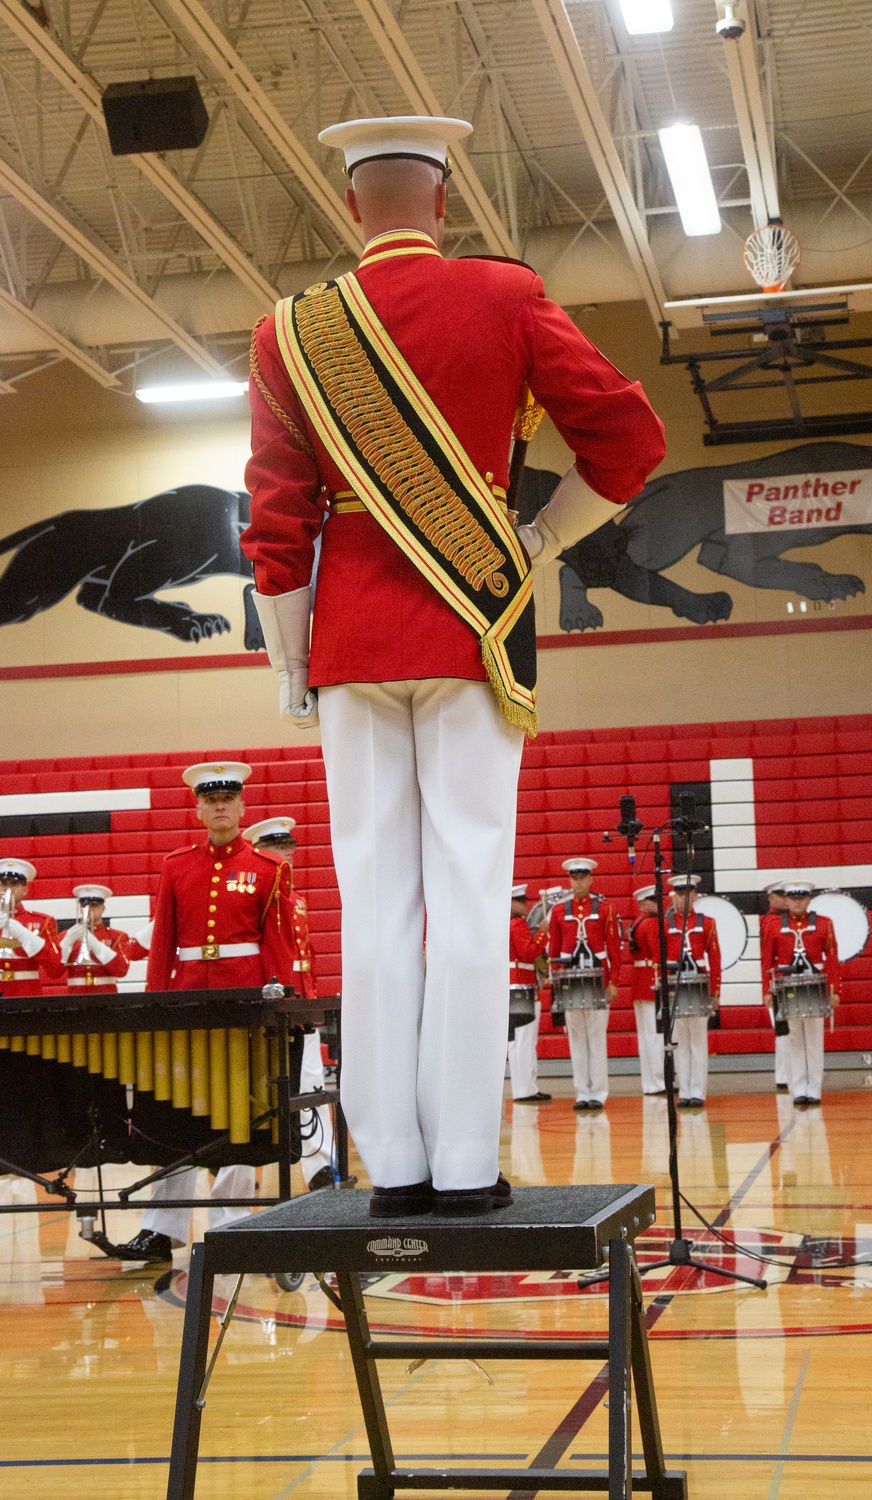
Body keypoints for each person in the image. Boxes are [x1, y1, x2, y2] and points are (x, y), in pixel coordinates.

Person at [241, 115, 665, 1216]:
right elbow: (630, 440)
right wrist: (534, 540)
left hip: (345, 642)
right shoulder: (506, 295)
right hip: (475, 631)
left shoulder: (288, 330)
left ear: (350, 209)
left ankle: (394, 1166)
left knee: (373, 904)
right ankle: (470, 1163)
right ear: (441, 203)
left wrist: (293, 667)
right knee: (471, 899)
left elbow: (277, 518)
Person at [114, 762, 297, 1264]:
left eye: (228, 799)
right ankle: (161, 1229)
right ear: (198, 809)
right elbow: (163, 941)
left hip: (245, 1005)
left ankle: (231, 1224)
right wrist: (156, 1002)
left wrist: (281, 999)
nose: (219, 806)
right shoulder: (176, 866)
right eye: (210, 800)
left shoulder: (268, 869)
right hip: (187, 1002)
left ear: (241, 808)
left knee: (240, 1115)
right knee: (174, 1113)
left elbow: (277, 944)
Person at [244, 815, 338, 1186]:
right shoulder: (257, 898)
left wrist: (310, 999)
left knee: (312, 1081)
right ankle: (242, 1165)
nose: (285, 857)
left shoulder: (297, 900)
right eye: (276, 850)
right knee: (256, 1086)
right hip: (270, 1000)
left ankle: (319, 1166)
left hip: (300, 1001)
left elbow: (306, 956)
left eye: (288, 849)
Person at [547, 857, 621, 1111]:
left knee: (596, 1038)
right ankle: (582, 1092)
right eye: (574, 878)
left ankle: (598, 1093)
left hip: (598, 981)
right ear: (569, 880)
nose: (578, 883)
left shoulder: (605, 909)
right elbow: (554, 951)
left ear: (590, 879)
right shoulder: (558, 911)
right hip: (570, 982)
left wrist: (614, 982)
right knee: (576, 1039)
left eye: (583, 878)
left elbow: (614, 951)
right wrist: (555, 984)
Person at [761, 879, 839, 1108]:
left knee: (814, 1040)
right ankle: (798, 1089)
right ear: (786, 900)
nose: (797, 903)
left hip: (815, 988)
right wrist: (767, 990)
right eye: (793, 898)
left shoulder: (824, 923)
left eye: (802, 898)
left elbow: (832, 958)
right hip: (787, 989)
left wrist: (834, 990)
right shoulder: (773, 924)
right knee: (793, 1040)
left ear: (809, 899)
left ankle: (813, 1089)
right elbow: (767, 959)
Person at [661, 875, 721, 1109]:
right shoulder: (665, 924)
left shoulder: (707, 923)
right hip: (675, 987)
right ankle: (684, 1091)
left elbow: (715, 959)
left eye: (688, 894)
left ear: (695, 895)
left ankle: (698, 1091)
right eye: (680, 894)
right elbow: (660, 957)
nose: (684, 898)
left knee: (697, 1042)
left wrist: (715, 991)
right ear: (673, 896)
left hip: (698, 987)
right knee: (679, 1043)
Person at [508, 885, 551, 1104]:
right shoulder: (517, 925)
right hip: (522, 987)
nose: (525, 905)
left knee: (517, 1042)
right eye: (521, 901)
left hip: (512, 985)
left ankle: (523, 1087)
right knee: (524, 1041)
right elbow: (527, 953)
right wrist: (543, 932)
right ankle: (525, 1089)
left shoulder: (507, 924)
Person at [0, 858, 63, 994]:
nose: (7, 889)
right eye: (3, 884)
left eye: (14, 884)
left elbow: (55, 968)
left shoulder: (41, 922)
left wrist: (24, 935)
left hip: (25, 995)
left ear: (25, 890)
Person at [629, 885, 666, 1096]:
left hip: (639, 983)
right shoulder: (651, 923)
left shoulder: (637, 922)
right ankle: (658, 1082)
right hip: (652, 983)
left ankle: (650, 1082)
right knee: (655, 1036)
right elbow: (659, 953)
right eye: (653, 900)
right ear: (643, 903)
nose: (658, 903)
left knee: (646, 1037)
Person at [60, 885, 130, 993]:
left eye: (94, 905)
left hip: (106, 998)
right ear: (80, 907)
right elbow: (54, 972)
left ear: (103, 908)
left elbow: (121, 970)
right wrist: (66, 943)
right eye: (84, 905)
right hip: (75, 999)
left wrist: (96, 945)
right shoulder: (67, 935)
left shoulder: (116, 936)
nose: (89, 909)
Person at [761, 881, 791, 1092]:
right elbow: (767, 958)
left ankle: (788, 1073)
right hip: (779, 981)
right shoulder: (770, 921)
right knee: (783, 1029)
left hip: (791, 980)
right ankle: (783, 1074)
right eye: (780, 895)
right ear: (771, 898)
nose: (784, 899)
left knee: (791, 1030)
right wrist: (767, 988)